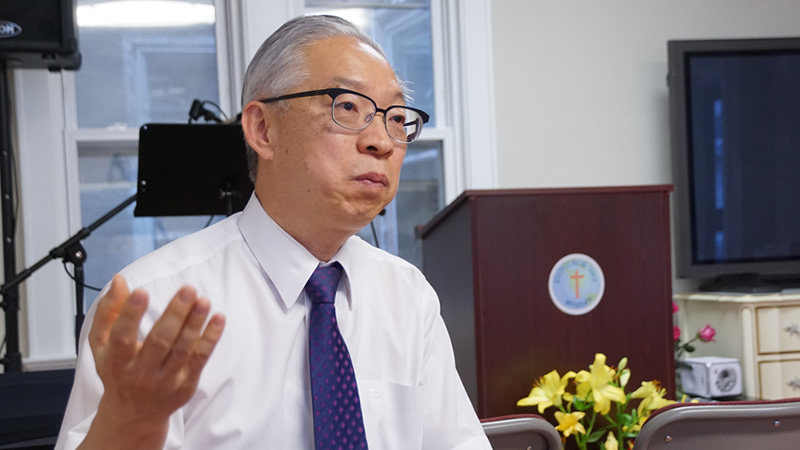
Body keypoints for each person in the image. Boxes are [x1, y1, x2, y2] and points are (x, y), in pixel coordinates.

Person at [56, 15, 491, 450]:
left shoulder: (408, 296)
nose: (382, 141)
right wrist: (127, 429)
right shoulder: (153, 305)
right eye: (347, 107)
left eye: (395, 117)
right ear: (263, 130)